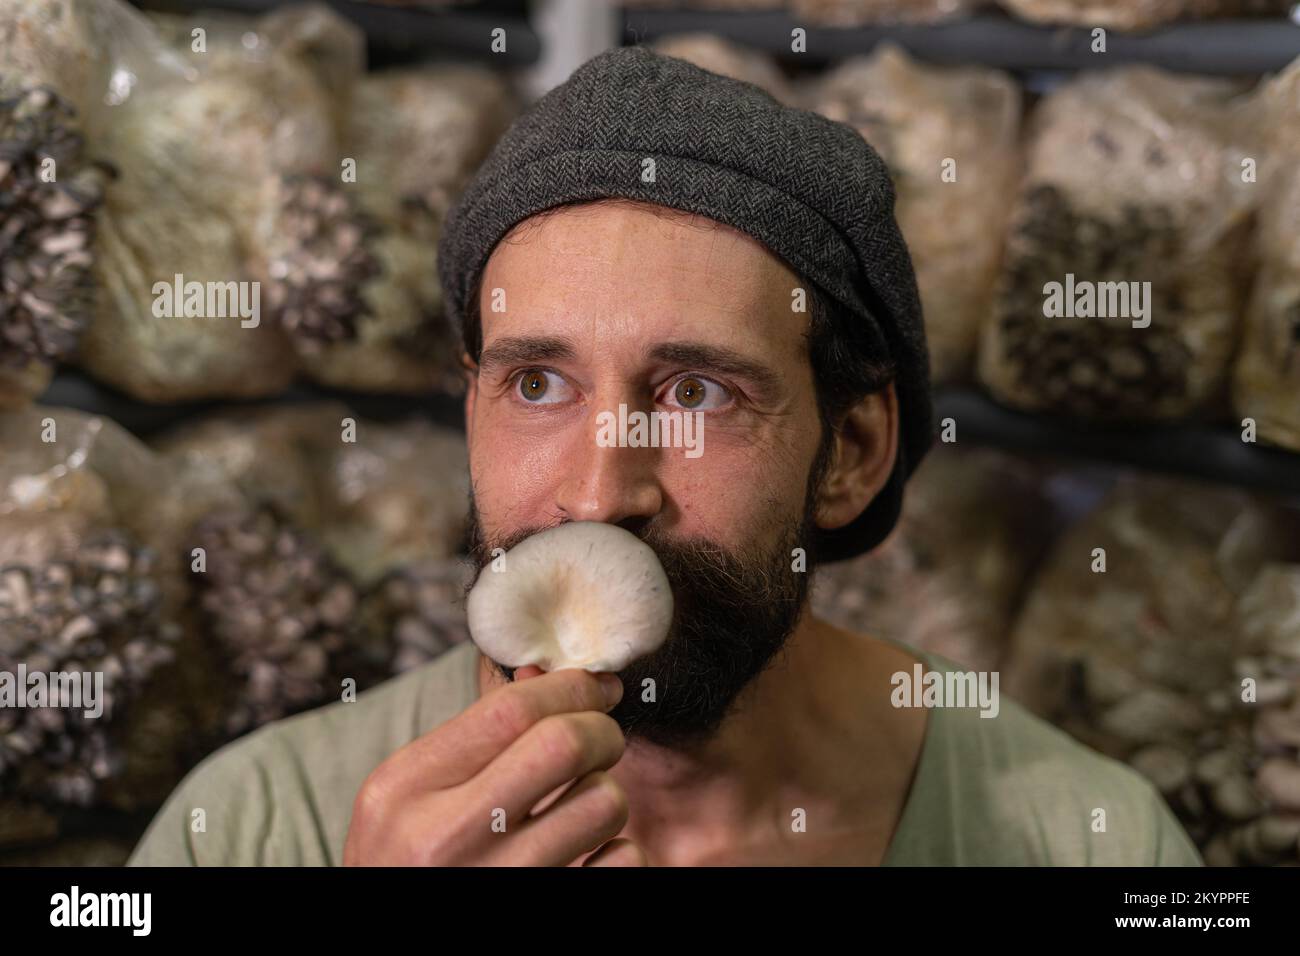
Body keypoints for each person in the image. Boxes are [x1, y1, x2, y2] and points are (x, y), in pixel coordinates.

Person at [128, 46, 1201, 867]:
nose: (599, 490)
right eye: (536, 383)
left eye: (697, 392)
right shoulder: (249, 827)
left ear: (853, 450)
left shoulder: (1092, 841)